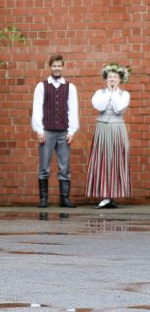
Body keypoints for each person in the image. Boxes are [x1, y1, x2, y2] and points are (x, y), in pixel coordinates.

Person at [31, 54, 79, 208]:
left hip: (64, 132)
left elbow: (73, 110)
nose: (57, 68)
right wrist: (39, 130)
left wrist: (71, 131)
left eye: (59, 66)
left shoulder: (70, 87)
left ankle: (64, 198)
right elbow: (37, 109)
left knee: (64, 166)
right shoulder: (41, 86)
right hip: (47, 132)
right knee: (44, 166)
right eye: (54, 66)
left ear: (62, 67)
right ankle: (43, 198)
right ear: (50, 67)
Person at [85, 63, 131, 209]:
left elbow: (118, 109)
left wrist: (113, 92)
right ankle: (105, 196)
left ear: (120, 79)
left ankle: (112, 196)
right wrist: (109, 92)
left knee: (116, 160)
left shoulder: (124, 95)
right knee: (103, 160)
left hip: (117, 129)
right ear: (106, 78)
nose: (112, 79)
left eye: (115, 77)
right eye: (110, 76)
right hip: (102, 128)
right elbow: (99, 106)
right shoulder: (99, 93)